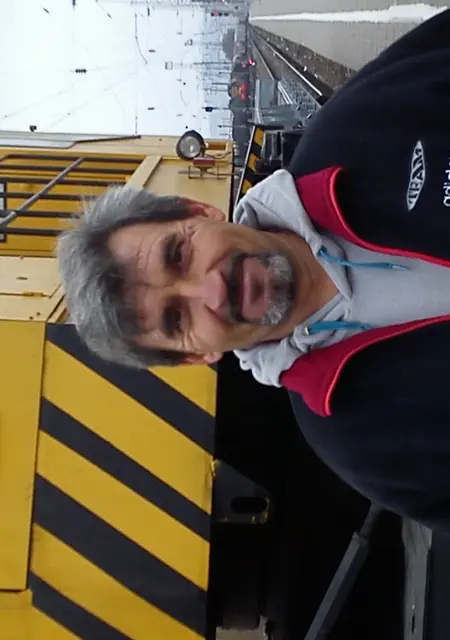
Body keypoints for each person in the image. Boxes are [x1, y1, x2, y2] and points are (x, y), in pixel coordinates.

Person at [58, 9, 450, 533]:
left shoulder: (363, 123)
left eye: (178, 255)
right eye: (177, 318)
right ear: (197, 355)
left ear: (199, 211)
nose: (211, 289)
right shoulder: (357, 441)